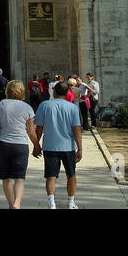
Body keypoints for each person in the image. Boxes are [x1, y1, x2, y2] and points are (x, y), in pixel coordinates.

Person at [33, 81, 83, 209]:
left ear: (54, 91)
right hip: (68, 146)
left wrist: (36, 145)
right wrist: (80, 148)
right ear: (67, 93)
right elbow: (76, 129)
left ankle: (52, 202)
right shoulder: (72, 107)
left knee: (51, 175)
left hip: (50, 145)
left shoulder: (44, 105)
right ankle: (71, 202)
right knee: (71, 174)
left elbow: (39, 128)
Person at [0, 80, 39, 209]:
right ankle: (17, 203)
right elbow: (30, 130)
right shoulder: (27, 107)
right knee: (19, 177)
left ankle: (11, 204)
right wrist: (37, 145)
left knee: (6, 178)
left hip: (3, 144)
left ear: (7, 90)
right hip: (20, 145)